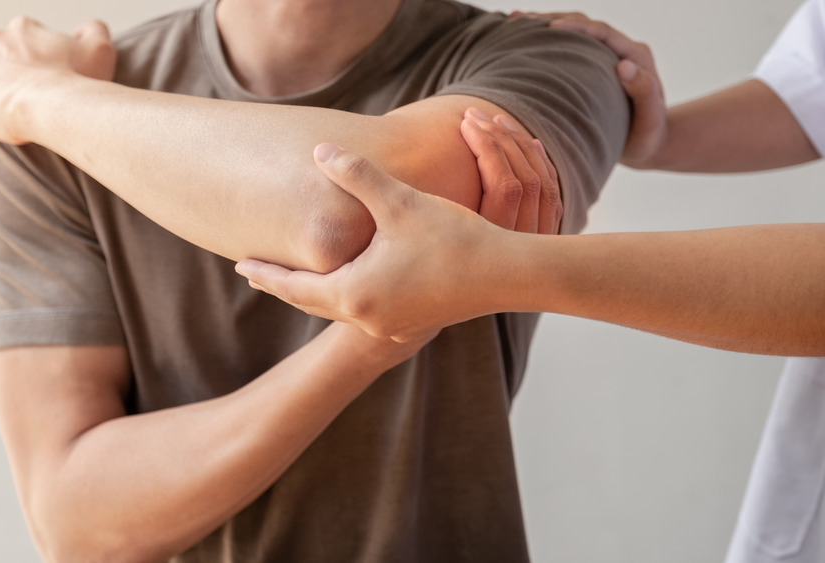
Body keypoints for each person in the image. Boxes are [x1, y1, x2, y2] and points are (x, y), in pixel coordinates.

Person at [0, 0, 628, 560]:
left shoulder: (549, 61)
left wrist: (41, 97)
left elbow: (337, 213)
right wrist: (366, 342)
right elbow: (77, 521)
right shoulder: (50, 128)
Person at [235, 2, 825, 562]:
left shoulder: (513, 54)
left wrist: (512, 268)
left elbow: (335, 213)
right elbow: (811, 89)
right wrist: (662, 136)